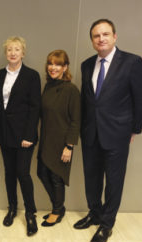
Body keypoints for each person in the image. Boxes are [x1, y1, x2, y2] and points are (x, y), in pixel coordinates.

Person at [73, 19, 142, 242]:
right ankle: (95, 213)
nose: (101, 39)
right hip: (90, 133)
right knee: (92, 178)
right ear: (92, 40)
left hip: (117, 133)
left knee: (114, 181)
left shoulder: (132, 62)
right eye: (97, 36)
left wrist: (134, 128)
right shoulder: (87, 64)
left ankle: (107, 224)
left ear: (115, 36)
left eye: (105, 34)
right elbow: (89, 101)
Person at [0, 36, 41, 236]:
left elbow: (35, 107)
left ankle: (30, 213)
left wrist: (29, 134)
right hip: (4, 133)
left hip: (24, 135)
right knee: (9, 173)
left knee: (23, 173)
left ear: (23, 52)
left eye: (16, 49)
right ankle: (12, 208)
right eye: (9, 50)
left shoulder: (32, 76)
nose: (13, 53)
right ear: (6, 53)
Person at [37, 50, 80, 227]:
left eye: (57, 64)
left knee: (56, 178)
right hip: (47, 140)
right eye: (50, 64)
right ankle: (58, 207)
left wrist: (69, 146)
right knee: (42, 173)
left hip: (61, 142)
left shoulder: (71, 90)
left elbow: (76, 120)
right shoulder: (48, 86)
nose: (53, 68)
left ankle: (57, 211)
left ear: (65, 67)